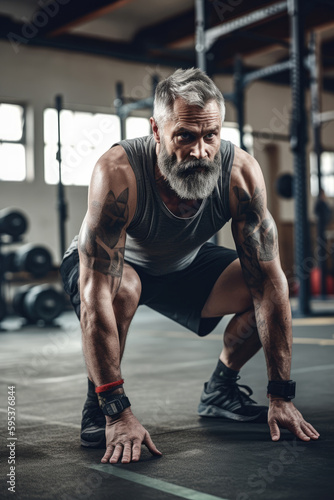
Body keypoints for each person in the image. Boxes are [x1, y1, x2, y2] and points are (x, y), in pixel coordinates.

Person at [60, 68, 319, 465]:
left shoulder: (240, 174)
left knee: (266, 282)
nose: (200, 151)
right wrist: (117, 409)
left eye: (210, 136)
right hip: (117, 265)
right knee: (122, 290)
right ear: (157, 130)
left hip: (182, 262)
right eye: (185, 136)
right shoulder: (118, 172)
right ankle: (97, 407)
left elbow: (269, 284)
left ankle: (221, 388)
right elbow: (96, 297)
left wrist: (280, 393)